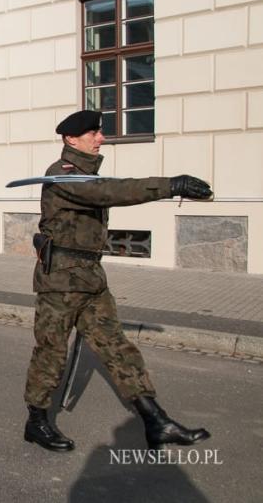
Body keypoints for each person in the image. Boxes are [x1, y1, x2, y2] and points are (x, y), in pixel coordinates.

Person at [23, 110, 212, 453]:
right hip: (61, 282)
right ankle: (36, 422)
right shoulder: (63, 175)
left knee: (117, 347)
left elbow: (105, 190)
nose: (101, 138)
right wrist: (171, 185)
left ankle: (157, 421)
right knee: (51, 351)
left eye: (99, 132)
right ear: (71, 139)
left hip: (91, 279)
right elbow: (109, 192)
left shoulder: (85, 176)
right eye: (93, 133)